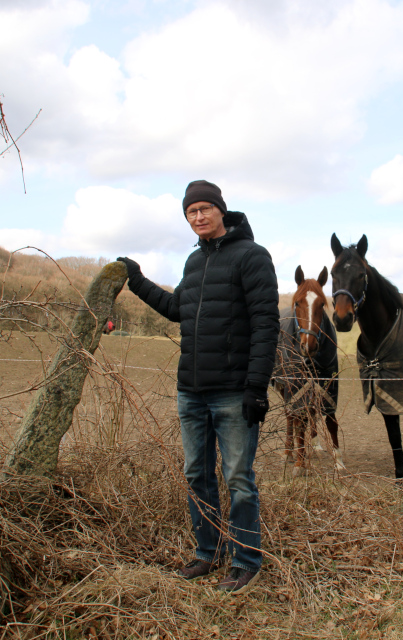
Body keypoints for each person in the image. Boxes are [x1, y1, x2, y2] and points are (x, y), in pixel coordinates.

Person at [117, 180, 279, 595]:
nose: (199, 217)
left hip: (233, 392)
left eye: (205, 208)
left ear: (222, 210)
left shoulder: (252, 257)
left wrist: (256, 388)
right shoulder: (194, 264)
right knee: (196, 475)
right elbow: (177, 309)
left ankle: (246, 560)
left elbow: (266, 324)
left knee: (238, 478)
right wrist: (137, 281)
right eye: (191, 212)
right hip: (190, 390)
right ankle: (206, 553)